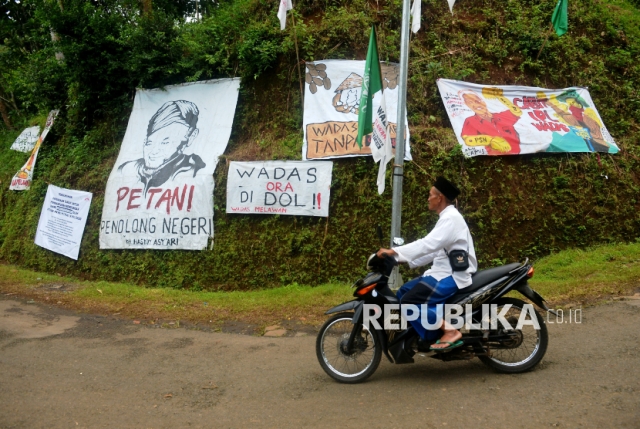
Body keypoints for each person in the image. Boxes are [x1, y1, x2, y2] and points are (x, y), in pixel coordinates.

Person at [377, 177, 477, 351]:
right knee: (403, 292)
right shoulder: (446, 218)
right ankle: (427, 335)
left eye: (430, 195)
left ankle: (449, 331)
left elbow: (427, 244)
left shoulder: (450, 219)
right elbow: (434, 251)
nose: (428, 198)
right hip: (441, 271)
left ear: (440, 198)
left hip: (451, 275)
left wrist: (395, 251)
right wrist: (399, 259)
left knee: (408, 301)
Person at [118, 100, 206, 195]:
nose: (153, 151)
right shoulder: (128, 169)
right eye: (149, 143)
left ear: (191, 137)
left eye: (165, 143)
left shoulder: (193, 169)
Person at [460, 87, 523, 155]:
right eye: (470, 102)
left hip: (518, 155)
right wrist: (490, 140)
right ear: (467, 105)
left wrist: (500, 97)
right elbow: (467, 139)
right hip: (495, 158)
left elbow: (517, 112)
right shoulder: (470, 121)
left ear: (483, 101)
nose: (476, 104)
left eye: (478, 100)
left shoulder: (501, 116)